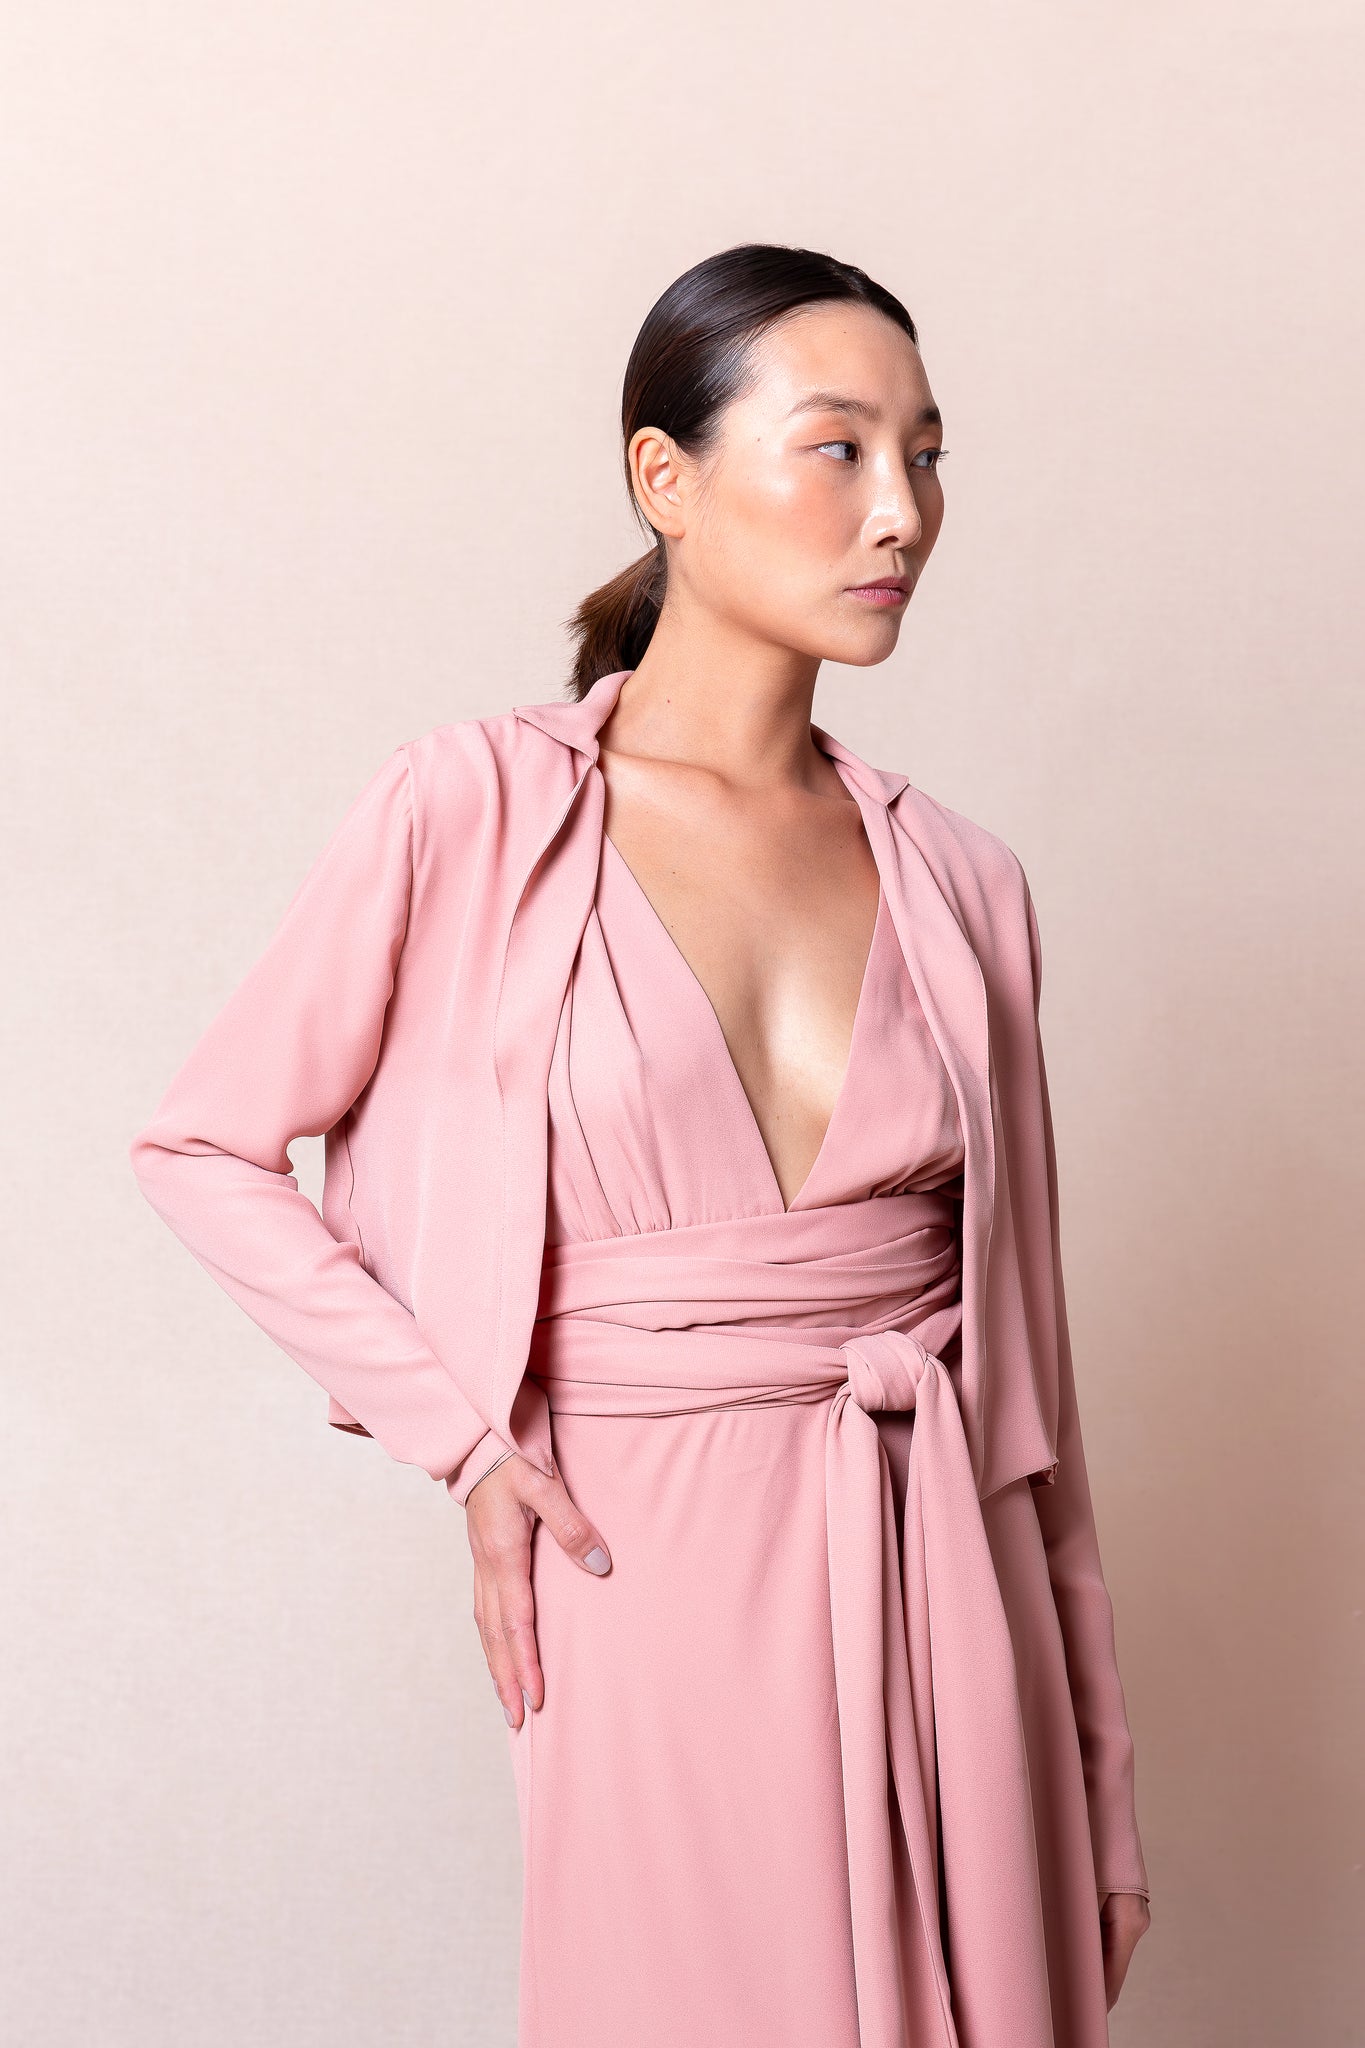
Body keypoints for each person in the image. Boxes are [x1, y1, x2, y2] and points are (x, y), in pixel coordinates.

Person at [130, 243, 1151, 2048]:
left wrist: (1097, 1779)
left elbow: (1028, 1385)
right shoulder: (471, 812)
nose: (899, 511)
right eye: (836, 448)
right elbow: (203, 1145)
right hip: (640, 1568)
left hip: (952, 1587)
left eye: (924, 456)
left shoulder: (964, 884)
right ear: (662, 479)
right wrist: (463, 1438)